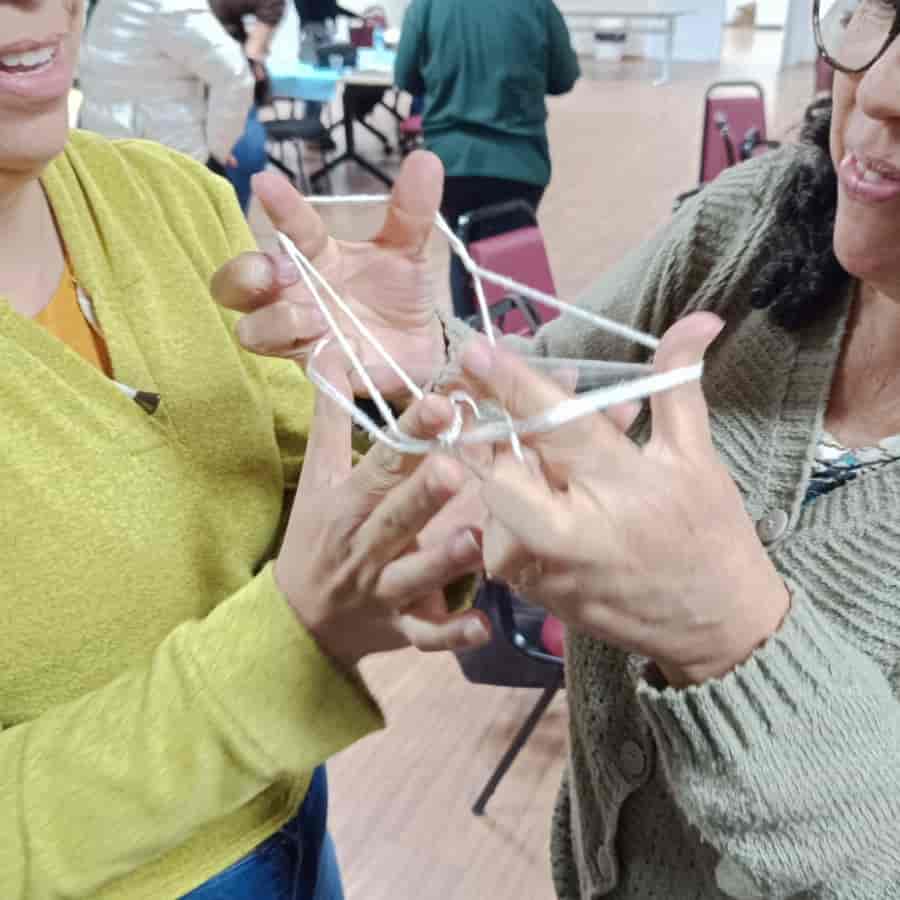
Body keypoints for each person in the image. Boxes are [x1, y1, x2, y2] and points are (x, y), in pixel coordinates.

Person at [228, 0, 900, 893]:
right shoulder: (769, 219)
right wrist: (427, 367)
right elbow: (536, 395)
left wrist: (738, 640)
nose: (881, 88)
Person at [0, 1, 490, 897]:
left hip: (292, 824)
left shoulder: (170, 199)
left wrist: (400, 403)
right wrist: (287, 643)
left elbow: (332, 521)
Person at [394, 0, 580, 321]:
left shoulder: (426, 6)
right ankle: (520, 344)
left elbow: (405, 76)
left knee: (463, 253)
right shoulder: (538, 6)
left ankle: (471, 347)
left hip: (451, 163)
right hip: (520, 164)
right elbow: (563, 78)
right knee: (513, 256)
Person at [78, 0, 254, 170]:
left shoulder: (167, 5)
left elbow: (233, 73)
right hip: (109, 157)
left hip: (167, 162)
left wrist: (218, 148)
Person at [209, 0, 286, 213]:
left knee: (246, 154)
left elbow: (271, 4)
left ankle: (233, 227)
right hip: (169, 85)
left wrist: (252, 53)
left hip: (228, 80)